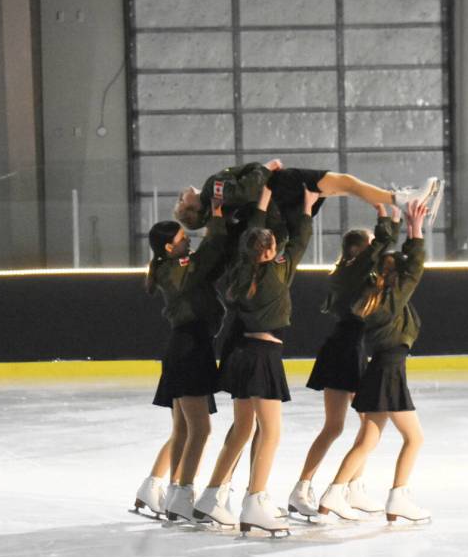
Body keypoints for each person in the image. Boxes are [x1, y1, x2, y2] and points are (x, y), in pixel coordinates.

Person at [193, 184, 318, 536]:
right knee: (271, 432)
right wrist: (307, 206)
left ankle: (212, 495)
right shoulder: (280, 269)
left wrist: (262, 202)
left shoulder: (238, 269)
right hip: (263, 357)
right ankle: (255, 501)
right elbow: (302, 239)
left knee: (243, 429)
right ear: (273, 248)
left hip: (240, 355)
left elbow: (252, 235)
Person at [317, 198, 431, 524]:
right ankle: (398, 497)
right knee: (414, 438)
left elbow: (404, 264)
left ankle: (334, 492)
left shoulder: (366, 295)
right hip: (389, 369)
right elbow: (416, 265)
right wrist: (414, 228)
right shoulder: (394, 298)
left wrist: (398, 227)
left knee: (368, 439)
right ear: (395, 276)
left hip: (380, 366)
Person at [287, 204, 402, 520]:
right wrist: (386, 219)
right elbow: (380, 249)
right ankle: (308, 488)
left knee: (353, 424)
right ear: (360, 249)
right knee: (349, 425)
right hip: (346, 350)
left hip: (347, 347)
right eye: (369, 246)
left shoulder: (348, 273)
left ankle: (352, 487)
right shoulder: (352, 272)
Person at [132, 199, 227, 523]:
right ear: (170, 248)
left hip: (186, 347)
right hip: (188, 350)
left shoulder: (172, 266)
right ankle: (182, 493)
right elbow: (208, 258)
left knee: (183, 429)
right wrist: (215, 219)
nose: (188, 240)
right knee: (200, 429)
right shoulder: (175, 270)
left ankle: (165, 488)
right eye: (183, 238)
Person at [173, 159, 440, 251]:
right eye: (182, 200)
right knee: (342, 182)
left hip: (281, 207)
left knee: (342, 186)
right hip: (280, 186)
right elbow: (247, 190)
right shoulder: (211, 189)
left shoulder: (219, 216)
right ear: (194, 209)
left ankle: (398, 198)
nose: (183, 194)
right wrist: (265, 169)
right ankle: (400, 198)